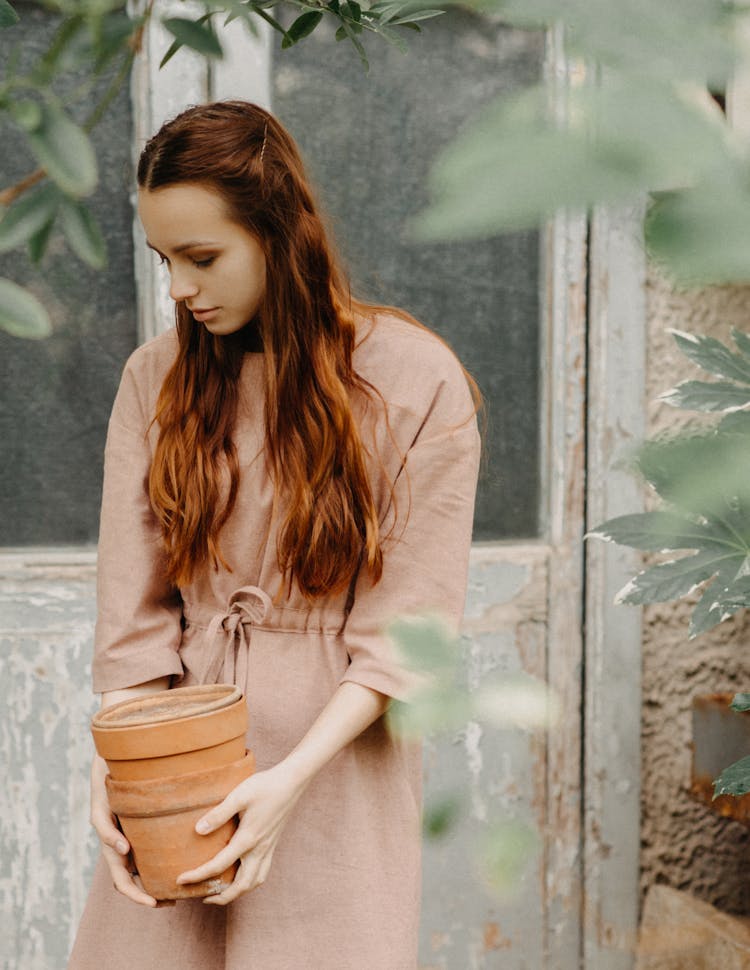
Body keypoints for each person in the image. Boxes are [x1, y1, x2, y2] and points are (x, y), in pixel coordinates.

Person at [67, 100, 481, 970]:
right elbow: (135, 619)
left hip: (337, 771)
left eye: (202, 257)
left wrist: (289, 782)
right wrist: (114, 768)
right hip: (177, 764)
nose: (179, 288)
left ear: (278, 232)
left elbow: (406, 636)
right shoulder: (157, 379)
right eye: (164, 260)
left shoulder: (414, 380)